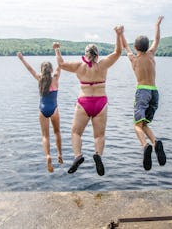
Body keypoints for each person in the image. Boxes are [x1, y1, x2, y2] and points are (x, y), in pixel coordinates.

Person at [53, 26, 124, 176]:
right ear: (97, 55)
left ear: (85, 54)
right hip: (100, 103)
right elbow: (118, 52)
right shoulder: (103, 65)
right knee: (99, 135)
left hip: (84, 103)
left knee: (76, 132)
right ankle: (97, 155)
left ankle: (78, 156)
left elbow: (61, 64)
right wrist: (118, 34)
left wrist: (57, 49)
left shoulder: (79, 66)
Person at [121, 16, 166, 171]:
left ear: (136, 47)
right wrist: (157, 25)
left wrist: (120, 34)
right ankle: (155, 142)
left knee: (137, 126)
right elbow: (157, 39)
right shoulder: (152, 53)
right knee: (144, 123)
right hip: (155, 93)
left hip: (143, 92)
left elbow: (125, 47)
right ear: (147, 46)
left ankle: (145, 146)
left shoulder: (134, 59)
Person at [17, 52, 63, 173]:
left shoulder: (39, 79)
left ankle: (48, 156)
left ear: (42, 70)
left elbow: (30, 69)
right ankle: (59, 154)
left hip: (43, 110)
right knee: (57, 132)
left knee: (45, 136)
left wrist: (22, 59)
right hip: (54, 109)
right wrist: (57, 50)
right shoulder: (56, 78)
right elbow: (60, 64)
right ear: (51, 70)